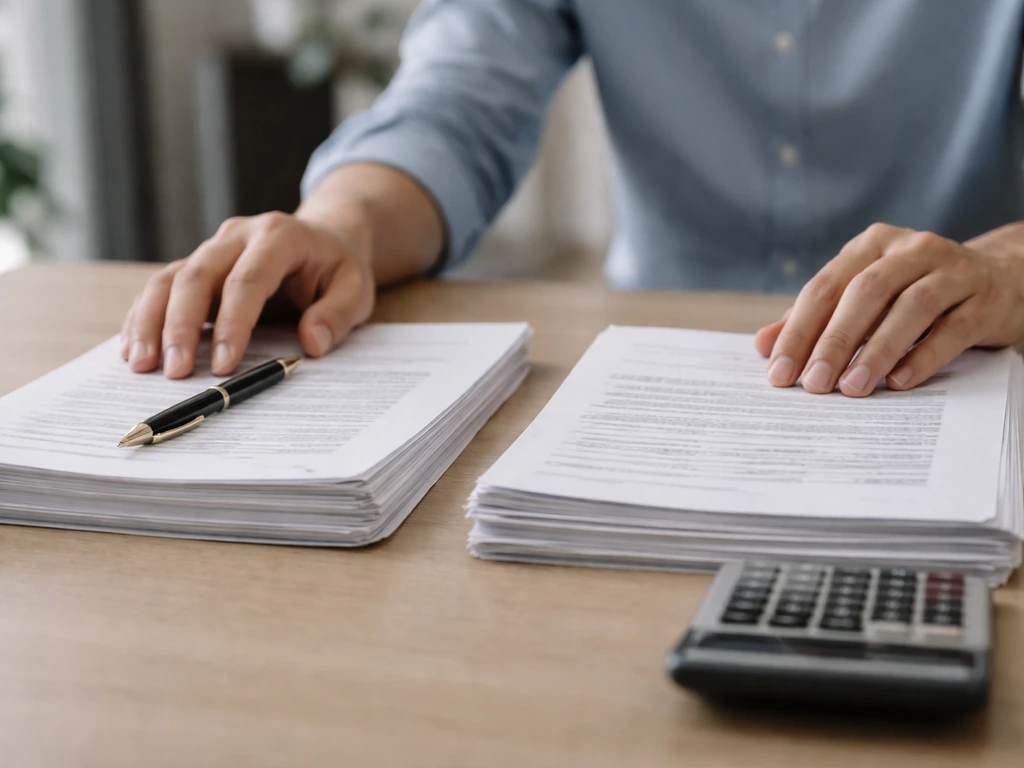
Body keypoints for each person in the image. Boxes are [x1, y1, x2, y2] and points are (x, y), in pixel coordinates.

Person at [120, 1, 1024, 398]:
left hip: (962, 370)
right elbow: (458, 98)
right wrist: (341, 226)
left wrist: (1003, 267)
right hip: (667, 376)